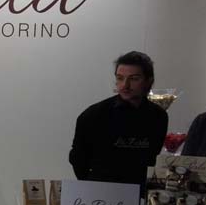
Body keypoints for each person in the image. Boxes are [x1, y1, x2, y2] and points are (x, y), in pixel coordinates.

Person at [69, 51, 168, 190]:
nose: (125, 85)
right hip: (101, 194)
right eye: (120, 78)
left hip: (141, 194)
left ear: (149, 81)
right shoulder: (93, 115)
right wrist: (92, 187)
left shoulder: (159, 116)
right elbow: (77, 158)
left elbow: (152, 159)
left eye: (134, 79)